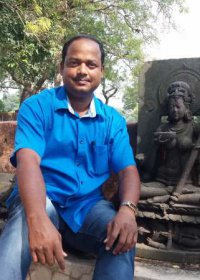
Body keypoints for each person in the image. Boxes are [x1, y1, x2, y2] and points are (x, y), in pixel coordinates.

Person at [0, 34, 140, 280]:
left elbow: (128, 170)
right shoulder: (37, 107)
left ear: (101, 71)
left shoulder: (112, 121)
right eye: (74, 63)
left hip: (88, 207)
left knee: (122, 238)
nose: (82, 71)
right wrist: (38, 219)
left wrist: (128, 211)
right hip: (40, 198)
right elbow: (28, 161)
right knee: (25, 224)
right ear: (61, 67)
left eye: (91, 64)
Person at [140, 81, 200, 204]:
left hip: (185, 184)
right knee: (136, 190)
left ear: (187, 107)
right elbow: (149, 167)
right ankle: (170, 194)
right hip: (161, 181)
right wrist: (156, 146)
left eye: (178, 106)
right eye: (171, 106)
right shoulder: (162, 128)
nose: (174, 110)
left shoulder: (194, 128)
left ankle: (169, 195)